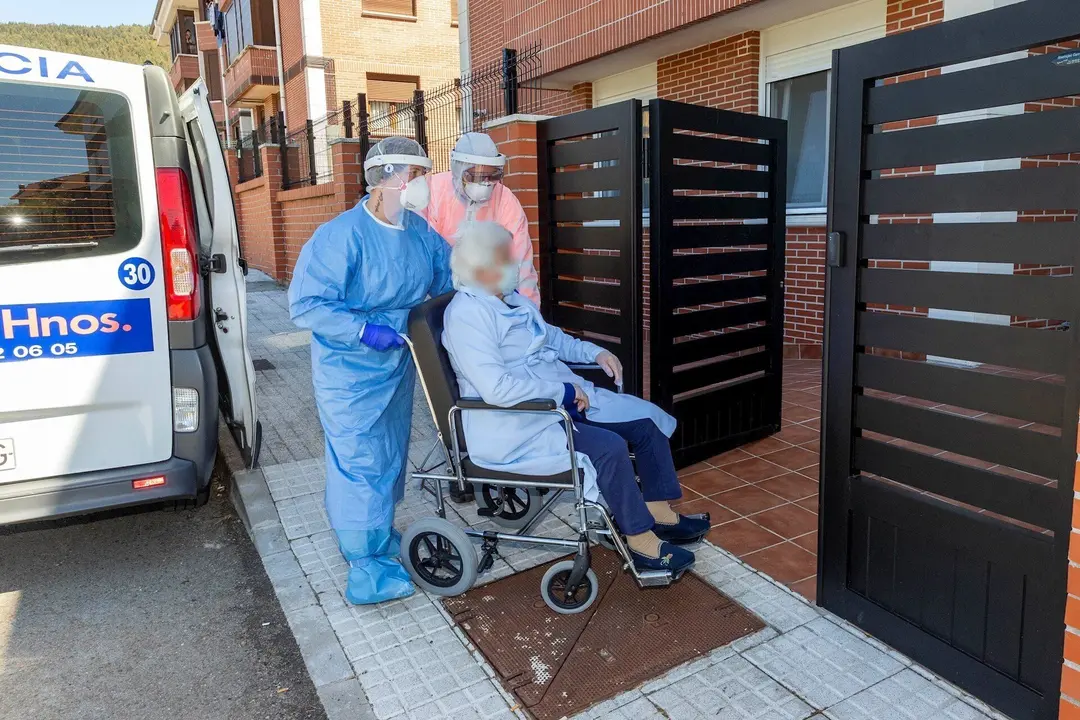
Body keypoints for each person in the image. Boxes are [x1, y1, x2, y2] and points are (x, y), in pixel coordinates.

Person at [441, 221, 710, 575]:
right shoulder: (466, 316)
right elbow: (497, 388)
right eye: (507, 259)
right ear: (481, 268)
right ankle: (640, 542)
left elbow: (553, 339)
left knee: (646, 423)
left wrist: (594, 352)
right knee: (608, 448)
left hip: (558, 401)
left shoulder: (511, 300)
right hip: (518, 420)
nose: (516, 265)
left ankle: (659, 514)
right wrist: (564, 392)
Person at [288, 137, 453, 605]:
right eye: (414, 174)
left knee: (389, 451)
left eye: (423, 174)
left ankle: (377, 533)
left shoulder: (419, 232)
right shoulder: (341, 236)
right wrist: (362, 330)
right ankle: (364, 565)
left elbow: (448, 277)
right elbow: (307, 303)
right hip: (350, 368)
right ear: (385, 178)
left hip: (398, 361)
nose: (421, 183)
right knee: (359, 457)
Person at [423, 132, 541, 306]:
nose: (485, 183)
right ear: (458, 170)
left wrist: (528, 309)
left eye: (492, 175)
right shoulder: (434, 191)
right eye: (476, 175)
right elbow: (426, 254)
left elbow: (520, 259)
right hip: (438, 299)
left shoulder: (505, 199)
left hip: (491, 298)